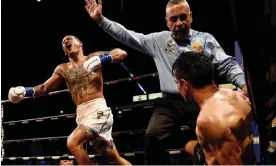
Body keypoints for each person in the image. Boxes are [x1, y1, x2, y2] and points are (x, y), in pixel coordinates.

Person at [85, 0, 248, 164]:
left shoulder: (205, 39)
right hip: (170, 102)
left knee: (218, 137)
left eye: (183, 17)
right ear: (167, 22)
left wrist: (244, 84)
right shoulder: (158, 40)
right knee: (152, 135)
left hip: (201, 100)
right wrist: (101, 20)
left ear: (191, 17)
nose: (179, 23)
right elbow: (127, 36)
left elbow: (226, 64)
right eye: (174, 19)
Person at [7, 35, 131, 165]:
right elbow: (44, 88)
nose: (66, 40)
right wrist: (24, 91)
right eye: (63, 42)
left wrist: (102, 59)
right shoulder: (62, 69)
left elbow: (121, 53)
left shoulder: (93, 57)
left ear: (80, 44)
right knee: (113, 159)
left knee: (73, 142)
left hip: (98, 111)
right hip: (82, 115)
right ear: (65, 51)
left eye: (70, 38)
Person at [172, 51, 255, 165]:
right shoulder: (235, 94)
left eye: (176, 82)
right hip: (243, 150)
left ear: (185, 84)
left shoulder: (208, 120)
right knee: (189, 146)